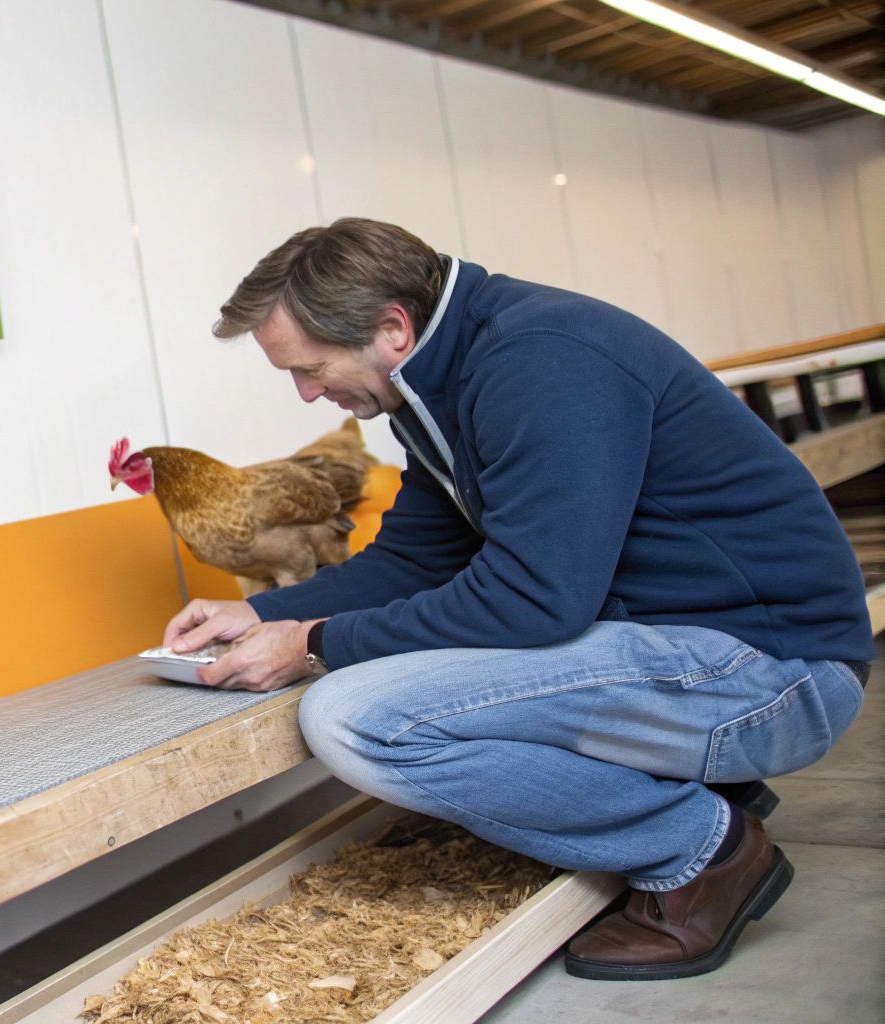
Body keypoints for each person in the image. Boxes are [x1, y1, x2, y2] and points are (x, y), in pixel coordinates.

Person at [162, 218, 872, 981]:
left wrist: (315, 642)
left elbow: (537, 600)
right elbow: (417, 558)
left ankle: (700, 850)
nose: (307, 394)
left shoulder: (541, 360)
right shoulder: (445, 377)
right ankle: (688, 788)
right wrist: (266, 612)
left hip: (775, 673)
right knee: (391, 683)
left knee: (359, 719)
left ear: (391, 328)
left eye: (309, 367)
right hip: (692, 650)